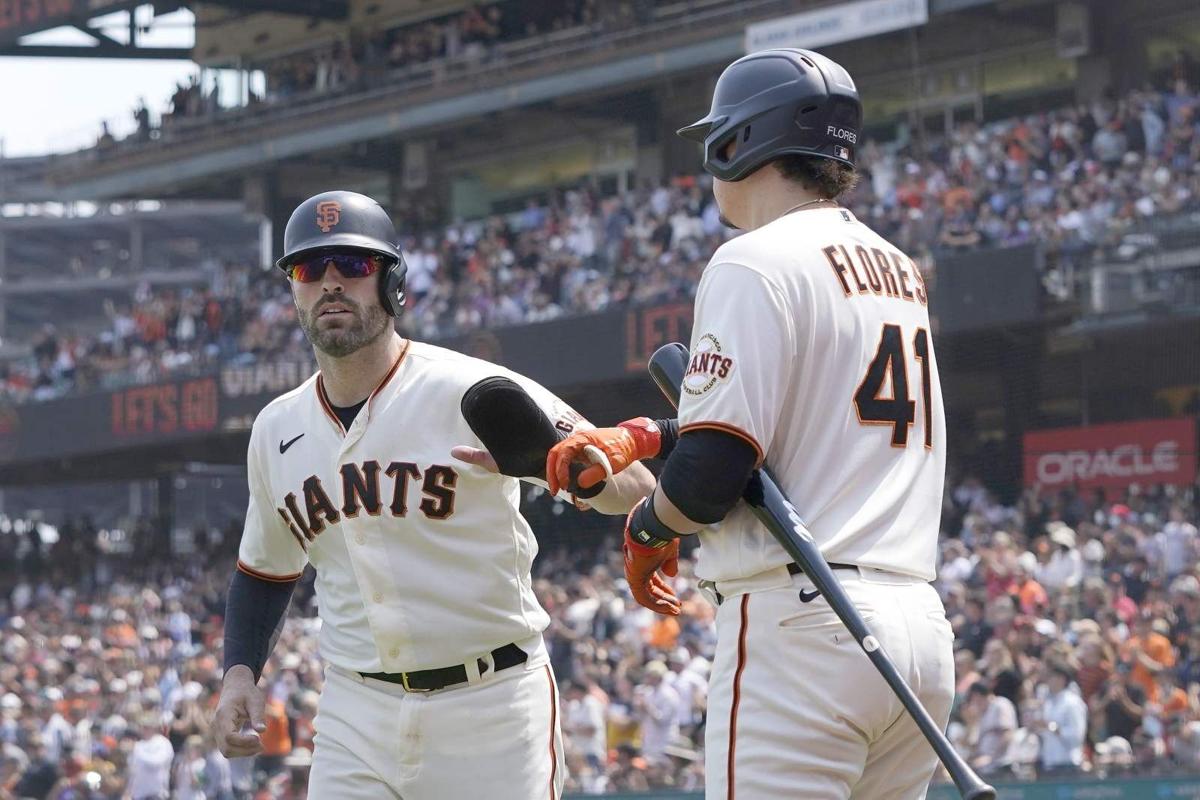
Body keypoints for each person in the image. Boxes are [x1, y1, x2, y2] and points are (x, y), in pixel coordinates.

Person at [547, 48, 954, 798]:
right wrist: (651, 435)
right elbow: (793, 425)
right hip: (917, 628)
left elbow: (711, 477)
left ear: (737, 143)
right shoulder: (899, 267)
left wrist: (647, 525)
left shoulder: (752, 260)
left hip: (801, 624)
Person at [212, 190, 654, 799]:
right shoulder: (276, 428)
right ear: (292, 289)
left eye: (355, 265)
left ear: (392, 283)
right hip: (354, 712)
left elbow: (636, 488)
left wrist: (561, 467)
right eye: (311, 268)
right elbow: (264, 571)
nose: (331, 283)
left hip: (491, 705)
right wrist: (239, 672)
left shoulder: (471, 389)